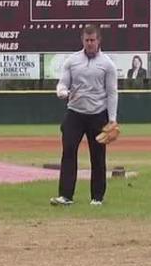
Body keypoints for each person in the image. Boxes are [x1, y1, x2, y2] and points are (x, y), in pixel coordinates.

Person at [51, 24, 119, 207]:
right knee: (68, 152)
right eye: (87, 40)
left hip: (98, 114)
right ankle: (65, 196)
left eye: (93, 40)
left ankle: (97, 198)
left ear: (99, 40)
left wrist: (112, 120)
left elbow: (112, 93)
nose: (90, 43)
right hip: (75, 113)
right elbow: (62, 84)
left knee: (98, 157)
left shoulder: (107, 64)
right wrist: (62, 92)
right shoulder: (72, 61)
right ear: (83, 40)